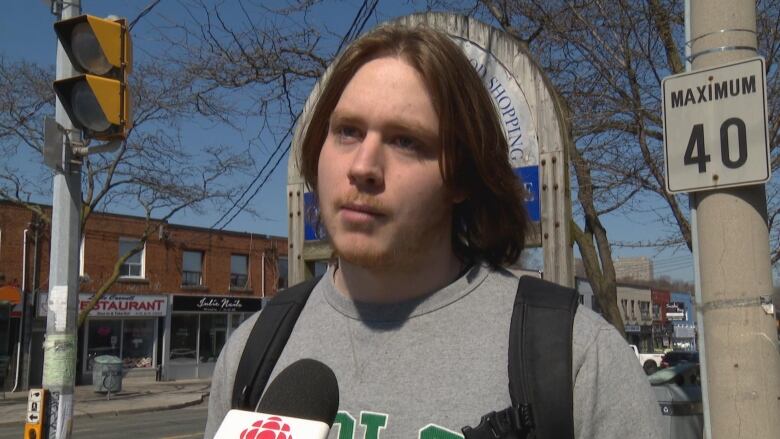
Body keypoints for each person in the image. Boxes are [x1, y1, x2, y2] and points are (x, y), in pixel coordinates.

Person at [205, 24, 663, 439]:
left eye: (406, 141)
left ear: (461, 177)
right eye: (346, 131)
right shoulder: (252, 351)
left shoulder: (577, 359)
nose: (363, 166)